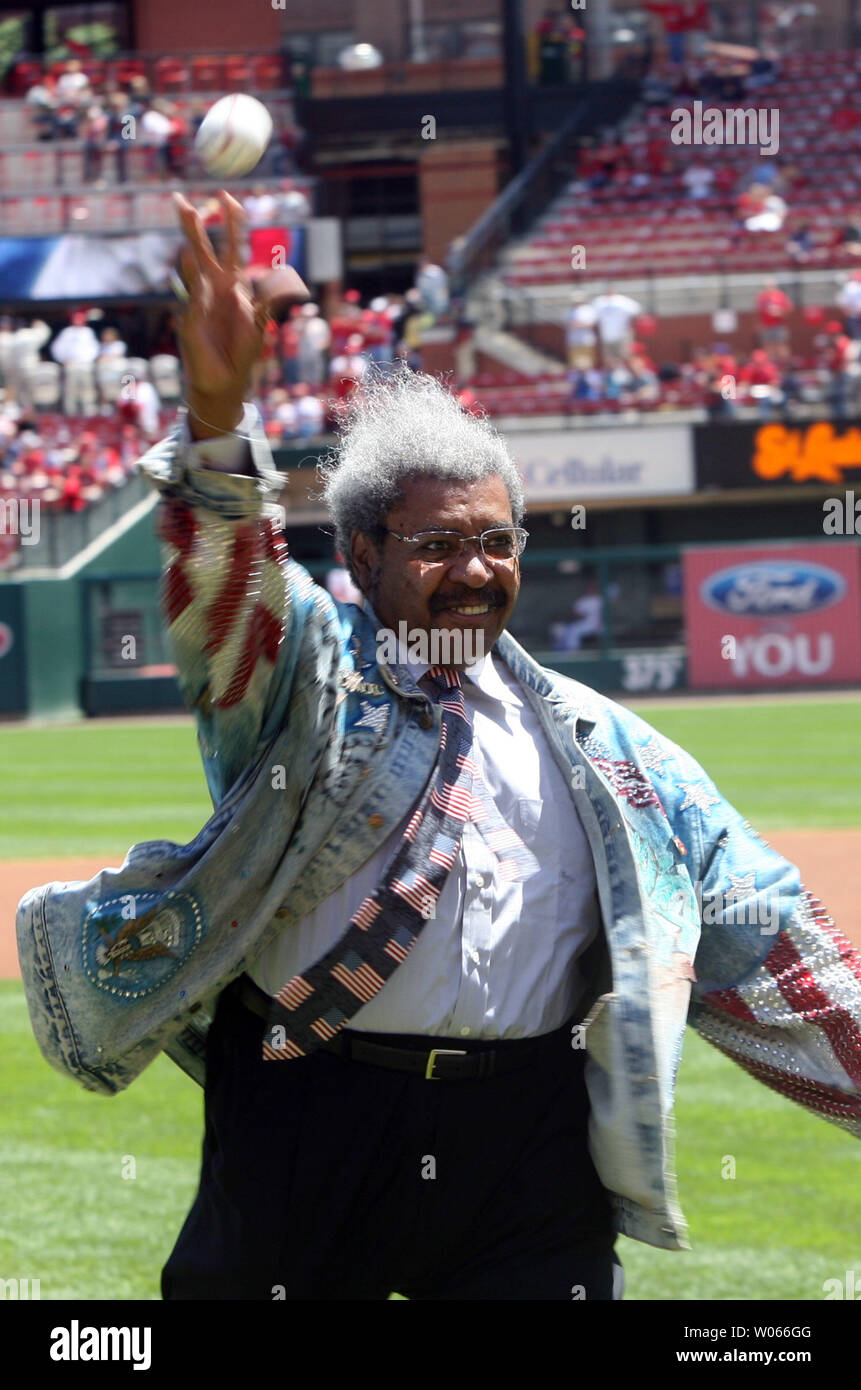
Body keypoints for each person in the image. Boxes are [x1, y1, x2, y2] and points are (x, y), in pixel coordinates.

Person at [17, 191, 861, 1303]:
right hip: (305, 1118)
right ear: (364, 555)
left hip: (526, 1147)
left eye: (496, 541)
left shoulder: (615, 753)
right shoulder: (302, 693)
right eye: (437, 543)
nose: (473, 568)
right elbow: (235, 592)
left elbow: (767, 940)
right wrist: (219, 417)